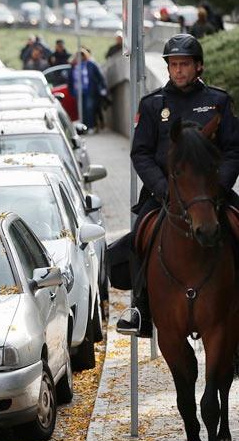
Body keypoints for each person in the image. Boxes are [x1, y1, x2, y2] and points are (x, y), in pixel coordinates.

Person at [116, 34, 239, 337]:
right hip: (165, 195)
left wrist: (220, 187)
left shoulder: (218, 101)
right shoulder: (153, 104)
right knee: (137, 239)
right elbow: (141, 153)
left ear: (199, 67)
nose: (178, 70)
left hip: (210, 194)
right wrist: (162, 188)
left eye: (185, 64)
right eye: (173, 65)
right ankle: (141, 308)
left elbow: (234, 149)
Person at [68, 48, 107, 133]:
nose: (80, 58)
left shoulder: (91, 65)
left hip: (89, 91)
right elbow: (70, 80)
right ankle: (83, 127)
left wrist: (103, 88)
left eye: (81, 56)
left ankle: (91, 127)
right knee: (81, 110)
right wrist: (71, 91)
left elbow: (100, 77)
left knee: (89, 109)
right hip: (78, 91)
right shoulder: (74, 66)